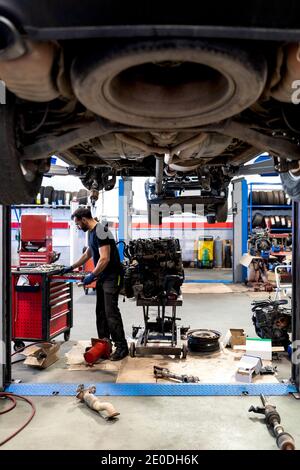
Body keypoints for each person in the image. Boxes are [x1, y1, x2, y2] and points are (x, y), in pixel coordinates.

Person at [62, 207, 128, 361]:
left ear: (84, 219)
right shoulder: (91, 232)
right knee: (101, 313)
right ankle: (104, 344)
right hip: (103, 277)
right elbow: (88, 253)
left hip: (112, 277)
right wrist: (72, 267)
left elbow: (105, 258)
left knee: (111, 313)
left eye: (78, 224)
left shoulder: (101, 231)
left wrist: (92, 275)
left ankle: (121, 346)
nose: (78, 227)